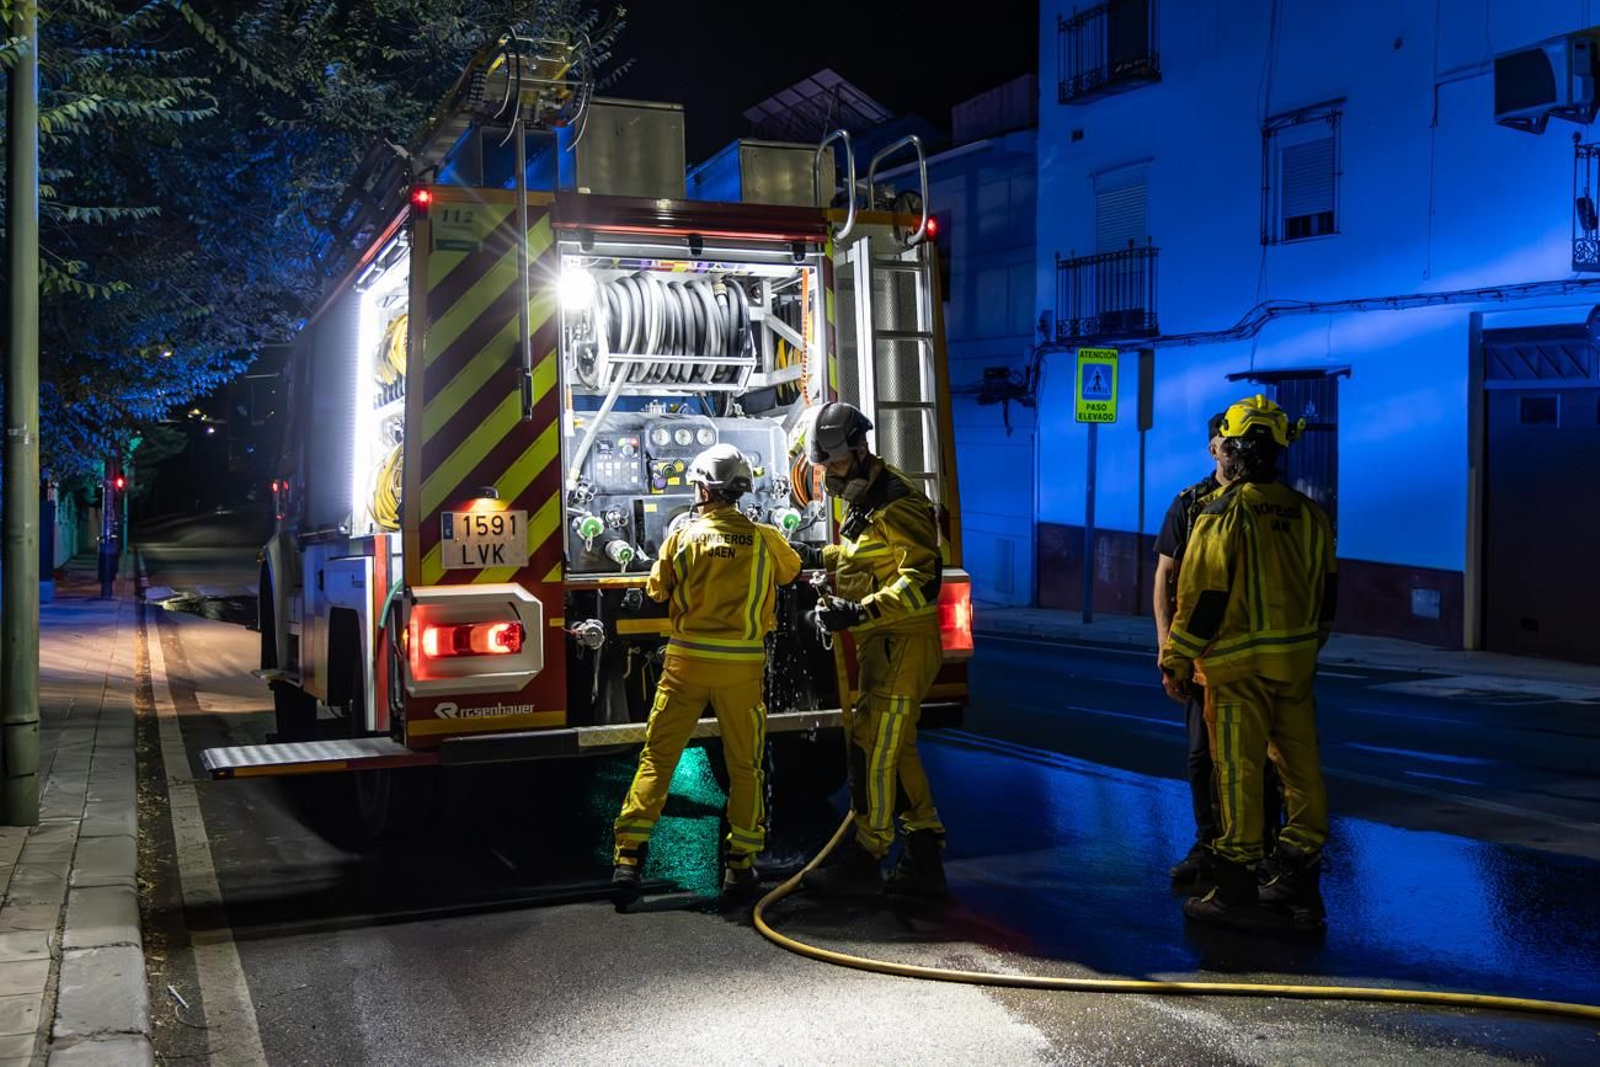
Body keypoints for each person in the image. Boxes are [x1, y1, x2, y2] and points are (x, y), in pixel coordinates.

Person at [1159, 395, 1336, 934]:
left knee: (1237, 775)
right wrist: (1303, 652)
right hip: (1296, 670)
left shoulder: (1222, 511)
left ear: (1232, 451)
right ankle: (1299, 887)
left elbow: (1204, 597)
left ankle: (1234, 892)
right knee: (1301, 776)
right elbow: (1326, 599)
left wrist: (1177, 658)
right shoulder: (1311, 515)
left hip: (1236, 676)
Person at [612, 443, 802, 904]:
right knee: (744, 767)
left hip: (686, 666)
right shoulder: (765, 539)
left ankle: (628, 860)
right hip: (742, 669)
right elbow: (792, 572)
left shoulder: (683, 537)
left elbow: (657, 590)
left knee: (658, 760)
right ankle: (740, 867)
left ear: (702, 488)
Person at [797, 402, 949, 899]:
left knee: (873, 748)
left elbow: (921, 579)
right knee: (897, 749)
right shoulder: (863, 495)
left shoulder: (897, 500)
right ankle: (925, 854)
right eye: (825, 468)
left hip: (903, 640)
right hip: (883, 641)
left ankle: (868, 855)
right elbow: (871, 555)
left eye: (837, 466)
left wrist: (859, 613)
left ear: (861, 450)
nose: (831, 477)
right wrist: (820, 557)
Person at [1155, 414, 1282, 887]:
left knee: (1263, 759)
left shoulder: (1270, 504)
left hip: (1256, 657)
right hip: (1204, 657)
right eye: (1229, 447)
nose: (1237, 455)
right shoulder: (1191, 504)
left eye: (1244, 446)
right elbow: (1166, 580)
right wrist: (1169, 651)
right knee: (1202, 757)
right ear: (1213, 448)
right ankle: (1210, 844)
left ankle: (1263, 846)